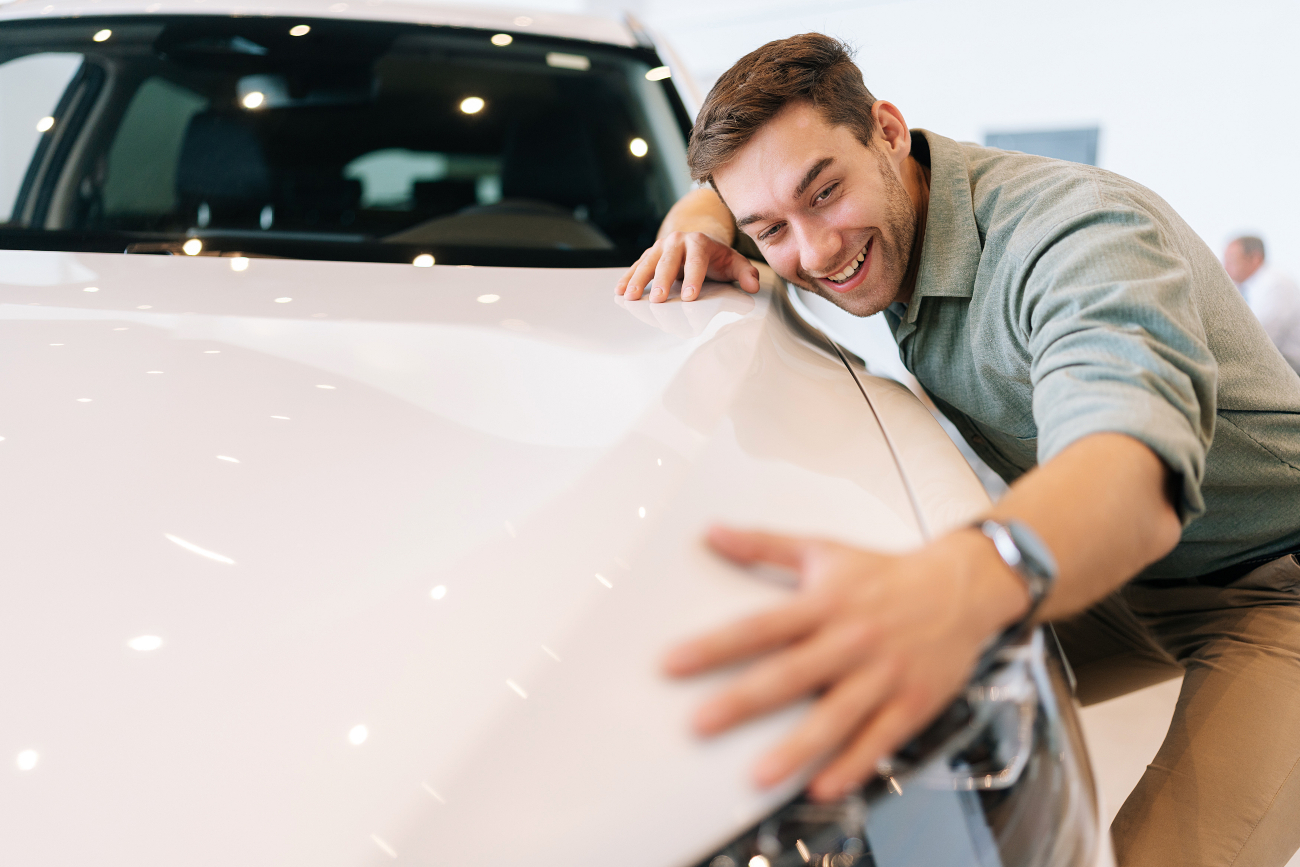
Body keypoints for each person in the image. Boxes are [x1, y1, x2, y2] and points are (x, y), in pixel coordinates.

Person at [618, 34, 1300, 867]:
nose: (817, 250)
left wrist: (967, 575)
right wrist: (698, 213)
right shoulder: (862, 210)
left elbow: (1130, 464)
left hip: (1275, 587)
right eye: (770, 230)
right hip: (1126, 580)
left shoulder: (1076, 234)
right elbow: (760, 188)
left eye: (825, 193)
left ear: (890, 130)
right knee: (863, 717)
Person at [1224, 235, 1300, 373]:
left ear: (1255, 259)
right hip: (1272, 360)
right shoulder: (1243, 286)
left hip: (1289, 366)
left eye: (1231, 261)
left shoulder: (1276, 284)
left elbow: (1261, 338)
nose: (1225, 267)